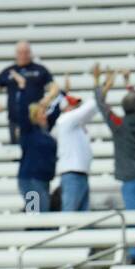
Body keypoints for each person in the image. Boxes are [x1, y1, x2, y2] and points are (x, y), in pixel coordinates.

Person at [95, 68, 135, 220]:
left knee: (133, 220)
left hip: (130, 177)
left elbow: (102, 105)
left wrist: (98, 83)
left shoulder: (119, 124)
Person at [49, 71, 100, 212]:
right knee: (33, 213)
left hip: (46, 179)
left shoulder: (68, 126)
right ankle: (32, 231)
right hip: (33, 182)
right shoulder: (64, 121)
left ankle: (34, 229)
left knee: (40, 210)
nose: (76, 108)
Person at [0, 40, 54, 145]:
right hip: (16, 120)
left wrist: (49, 97)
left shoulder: (40, 70)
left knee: (40, 147)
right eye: (20, 52)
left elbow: (53, 86)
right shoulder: (9, 71)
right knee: (19, 149)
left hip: (36, 119)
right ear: (16, 54)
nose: (23, 55)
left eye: (26, 52)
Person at [18, 91, 59, 213]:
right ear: (34, 116)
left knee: (43, 211)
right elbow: (22, 111)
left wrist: (62, 94)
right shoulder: (28, 131)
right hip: (30, 179)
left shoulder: (44, 131)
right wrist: (23, 90)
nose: (45, 116)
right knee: (35, 213)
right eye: (41, 114)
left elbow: (56, 112)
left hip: (43, 180)